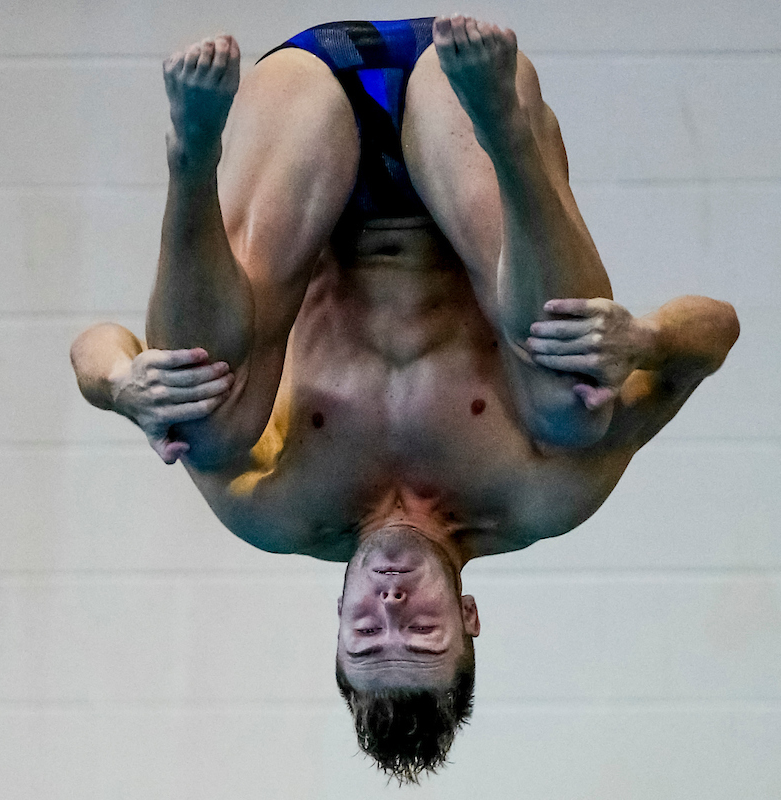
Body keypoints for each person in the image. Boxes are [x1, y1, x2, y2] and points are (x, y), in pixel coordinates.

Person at [70, 15, 739, 782]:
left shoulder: (273, 506)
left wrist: (122, 388)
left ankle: (191, 158)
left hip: (303, 136)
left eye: (366, 632)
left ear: (337, 625)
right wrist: (647, 342)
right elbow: (716, 332)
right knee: (575, 405)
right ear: (468, 619)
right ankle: (508, 131)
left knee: (195, 422)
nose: (390, 604)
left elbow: (94, 348)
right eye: (420, 631)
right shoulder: (541, 493)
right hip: (466, 138)